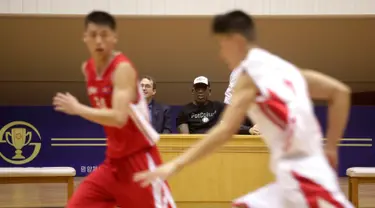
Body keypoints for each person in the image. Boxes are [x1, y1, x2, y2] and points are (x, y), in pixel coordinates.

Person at [133, 9, 354, 208]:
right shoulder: (283, 67)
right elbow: (340, 92)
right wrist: (331, 147)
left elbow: (225, 130)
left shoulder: (248, 76)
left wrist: (175, 165)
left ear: (236, 41)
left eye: (221, 45)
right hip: (293, 177)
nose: (221, 54)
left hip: (305, 178)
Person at [52, 11, 176, 208]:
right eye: (93, 35)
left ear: (114, 38)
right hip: (113, 162)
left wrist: (78, 108)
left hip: (140, 160)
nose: (98, 40)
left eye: (104, 34)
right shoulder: (88, 69)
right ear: (85, 38)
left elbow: (119, 118)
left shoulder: (122, 69)